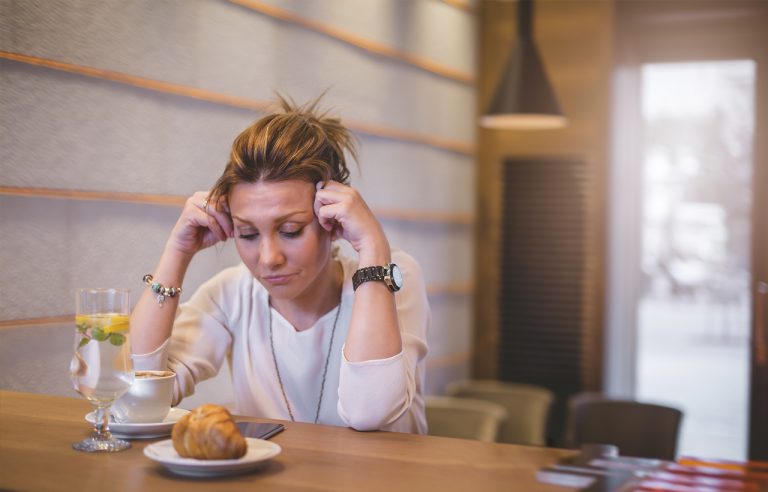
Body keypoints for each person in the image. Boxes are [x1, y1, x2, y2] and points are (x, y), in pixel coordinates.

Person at [130, 96, 430, 433]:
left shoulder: (393, 277)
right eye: (247, 233)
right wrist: (177, 251)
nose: (269, 258)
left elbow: (371, 412)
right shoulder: (230, 294)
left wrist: (373, 246)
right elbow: (139, 392)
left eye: (290, 231)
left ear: (331, 219)